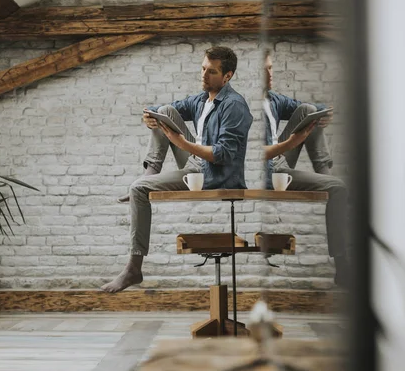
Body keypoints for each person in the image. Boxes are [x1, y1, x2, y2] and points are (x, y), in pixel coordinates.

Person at [102, 47, 253, 293]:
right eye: (203, 68)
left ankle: (133, 268)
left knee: (138, 189)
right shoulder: (203, 99)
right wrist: (150, 118)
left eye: (212, 72)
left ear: (228, 76)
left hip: (216, 175)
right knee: (165, 112)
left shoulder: (235, 105)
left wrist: (182, 143)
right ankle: (151, 170)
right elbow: (166, 110)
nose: (204, 75)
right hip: (197, 164)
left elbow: (224, 154)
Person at [261, 49, 349, 287]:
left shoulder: (274, 100)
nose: (270, 74)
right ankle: (343, 264)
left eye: (271, 68)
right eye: (264, 69)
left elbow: (305, 108)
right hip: (263, 172)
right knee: (339, 188)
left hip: (278, 162)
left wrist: (323, 112)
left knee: (309, 111)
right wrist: (290, 143)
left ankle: (325, 176)